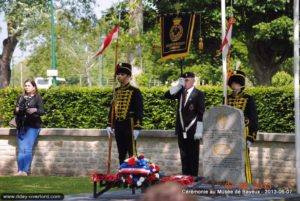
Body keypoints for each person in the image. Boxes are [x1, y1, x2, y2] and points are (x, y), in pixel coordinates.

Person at [164, 72, 205, 176]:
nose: (185, 82)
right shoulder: (180, 92)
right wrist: (178, 85)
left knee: (193, 155)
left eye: (187, 80)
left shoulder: (199, 94)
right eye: (184, 80)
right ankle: (185, 177)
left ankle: (193, 178)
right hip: (181, 129)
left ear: (193, 81)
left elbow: (201, 113)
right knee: (184, 155)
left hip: (193, 130)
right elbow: (167, 95)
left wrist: (199, 130)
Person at [106, 63, 143, 165]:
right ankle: (122, 174)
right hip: (118, 125)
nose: (119, 76)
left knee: (132, 152)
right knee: (121, 152)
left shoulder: (135, 91)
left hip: (130, 124)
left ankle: (133, 175)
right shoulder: (116, 91)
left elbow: (139, 110)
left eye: (121, 74)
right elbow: (112, 109)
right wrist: (110, 124)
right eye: (118, 74)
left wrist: (137, 126)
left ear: (128, 76)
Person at [227, 70, 258, 184]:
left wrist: (250, 137)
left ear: (241, 85)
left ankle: (246, 184)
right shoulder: (227, 98)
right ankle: (230, 184)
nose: (234, 86)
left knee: (243, 161)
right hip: (229, 136)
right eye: (233, 83)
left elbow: (253, 120)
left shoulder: (248, 98)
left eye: (237, 83)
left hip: (243, 134)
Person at [14, 79, 45, 176]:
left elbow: (42, 111)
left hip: (33, 126)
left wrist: (35, 109)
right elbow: (15, 112)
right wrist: (16, 110)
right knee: (21, 148)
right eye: (25, 85)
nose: (26, 87)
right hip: (21, 125)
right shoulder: (20, 97)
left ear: (34, 87)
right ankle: (20, 171)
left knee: (27, 149)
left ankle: (25, 171)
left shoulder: (37, 97)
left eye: (28, 85)